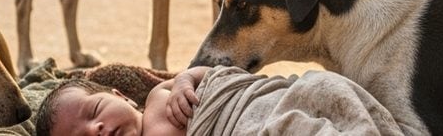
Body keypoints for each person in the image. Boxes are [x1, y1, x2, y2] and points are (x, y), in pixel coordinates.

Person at [34, 65, 403, 136]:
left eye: (94, 112)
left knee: (309, 101)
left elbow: (204, 75)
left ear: (119, 95)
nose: (96, 130)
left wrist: (181, 84)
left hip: (249, 108)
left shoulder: (157, 99)